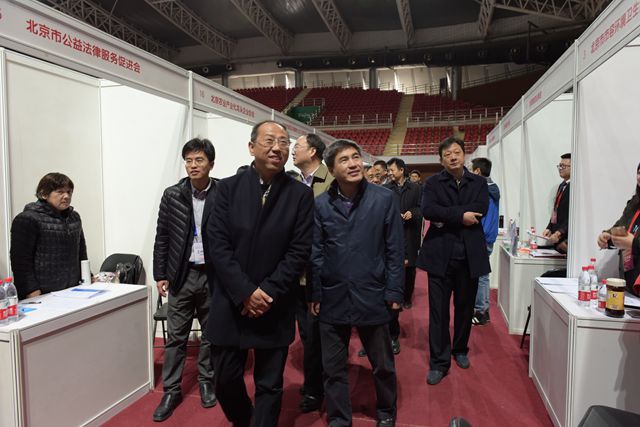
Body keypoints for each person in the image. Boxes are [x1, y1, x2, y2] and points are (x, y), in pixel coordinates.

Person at [205, 121, 313, 427]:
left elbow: (299, 250)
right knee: (225, 378)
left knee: (269, 384)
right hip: (232, 301)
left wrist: (266, 292)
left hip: (274, 302)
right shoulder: (227, 189)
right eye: (269, 141)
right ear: (251, 147)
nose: (277, 148)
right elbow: (217, 245)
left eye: (284, 142)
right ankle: (244, 420)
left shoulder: (299, 195)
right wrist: (244, 292)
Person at [310, 139, 403, 427]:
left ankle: (386, 411)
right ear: (331, 170)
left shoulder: (384, 198)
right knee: (333, 367)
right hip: (333, 295)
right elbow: (316, 252)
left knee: (382, 364)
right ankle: (339, 418)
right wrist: (315, 292)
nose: (353, 164)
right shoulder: (320, 204)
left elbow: (395, 248)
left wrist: (394, 290)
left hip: (373, 292)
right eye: (344, 160)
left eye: (355, 157)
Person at [152, 138, 217, 422]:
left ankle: (206, 381)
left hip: (213, 276)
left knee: (211, 335)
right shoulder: (172, 195)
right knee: (176, 337)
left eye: (199, 160)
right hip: (182, 275)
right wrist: (160, 274)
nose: (193, 165)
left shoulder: (222, 193)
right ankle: (171, 390)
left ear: (211, 164)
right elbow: (162, 236)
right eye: (188, 160)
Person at [417, 137, 490, 386]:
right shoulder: (433, 183)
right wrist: (461, 215)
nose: (453, 157)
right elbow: (428, 210)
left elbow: (480, 209)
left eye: (456, 152)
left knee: (465, 307)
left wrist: (447, 215)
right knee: (438, 312)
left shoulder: (479, 183)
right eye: (447, 154)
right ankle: (439, 361)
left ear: (464, 155)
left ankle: (460, 349)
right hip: (440, 255)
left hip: (469, 255)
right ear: (441, 160)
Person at [292, 133, 334, 413]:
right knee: (307, 334)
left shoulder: (332, 183)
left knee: (322, 334)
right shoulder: (293, 183)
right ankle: (314, 384)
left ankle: (318, 388)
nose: (292, 151)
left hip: (322, 273)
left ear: (313, 152)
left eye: (297, 146)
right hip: (296, 274)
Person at [10, 172, 87, 300]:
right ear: (44, 194)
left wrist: (87, 276)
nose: (66, 196)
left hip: (73, 290)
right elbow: (21, 261)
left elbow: (81, 251)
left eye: (69, 192)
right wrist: (31, 291)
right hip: (42, 294)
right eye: (60, 192)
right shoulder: (27, 219)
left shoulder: (74, 217)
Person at [597, 162, 640, 295]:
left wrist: (634, 243)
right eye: (639, 172)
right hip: (629, 281)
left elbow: (632, 241)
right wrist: (608, 236)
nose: (639, 177)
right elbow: (621, 226)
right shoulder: (634, 202)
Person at [386, 158, 422, 312]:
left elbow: (422, 207)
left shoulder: (416, 188)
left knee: (410, 268)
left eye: (392, 170)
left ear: (401, 170)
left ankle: (407, 297)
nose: (389, 173)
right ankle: (394, 296)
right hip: (392, 232)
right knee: (393, 266)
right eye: (388, 170)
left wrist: (412, 212)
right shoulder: (386, 188)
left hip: (410, 231)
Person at [470, 158, 500, 326]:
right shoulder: (492, 188)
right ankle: (482, 310)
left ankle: (480, 311)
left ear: (477, 171)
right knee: (482, 275)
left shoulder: (484, 190)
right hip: (486, 237)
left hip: (481, 237)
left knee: (480, 276)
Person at [542, 153, 571, 253]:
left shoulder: (574, 187)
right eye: (559, 166)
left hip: (565, 239)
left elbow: (572, 216)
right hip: (556, 239)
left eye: (564, 166)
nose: (560, 169)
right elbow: (556, 210)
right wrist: (549, 228)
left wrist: (559, 232)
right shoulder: (562, 186)